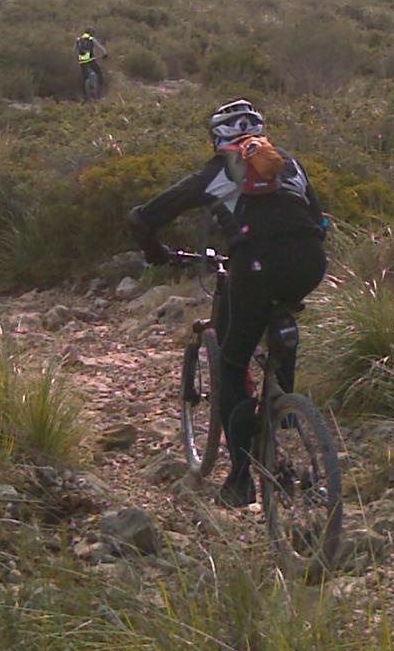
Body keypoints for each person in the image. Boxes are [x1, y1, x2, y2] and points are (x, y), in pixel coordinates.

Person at [128, 99, 328, 507]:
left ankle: (240, 478)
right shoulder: (289, 164)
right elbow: (320, 221)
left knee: (233, 363)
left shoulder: (216, 171)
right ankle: (283, 409)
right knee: (280, 316)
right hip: (310, 262)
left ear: (217, 138)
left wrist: (155, 252)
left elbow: (145, 217)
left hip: (254, 267)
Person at [76, 28, 108, 100]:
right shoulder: (91, 39)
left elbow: (75, 51)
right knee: (100, 75)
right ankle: (99, 95)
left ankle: (85, 97)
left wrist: (78, 59)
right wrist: (105, 54)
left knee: (85, 79)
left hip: (82, 62)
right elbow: (100, 47)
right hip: (91, 60)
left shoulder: (78, 40)